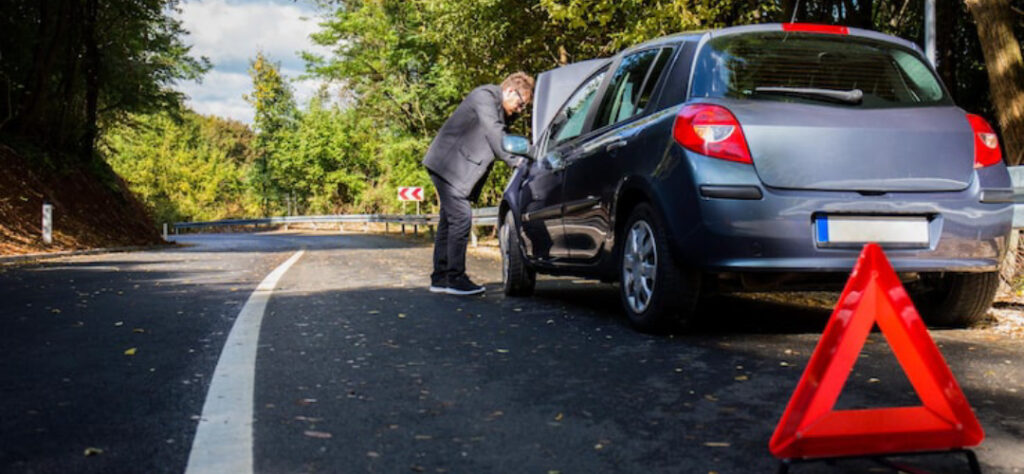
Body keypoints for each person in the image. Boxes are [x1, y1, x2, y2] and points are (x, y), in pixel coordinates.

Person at [422, 72, 534, 295]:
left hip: (450, 167)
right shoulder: (484, 96)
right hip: (447, 165)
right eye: (521, 105)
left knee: (449, 221)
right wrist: (518, 161)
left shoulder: (498, 106)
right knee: (461, 218)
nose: (520, 111)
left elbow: (502, 131)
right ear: (510, 91)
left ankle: (440, 277)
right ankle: (455, 278)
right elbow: (495, 132)